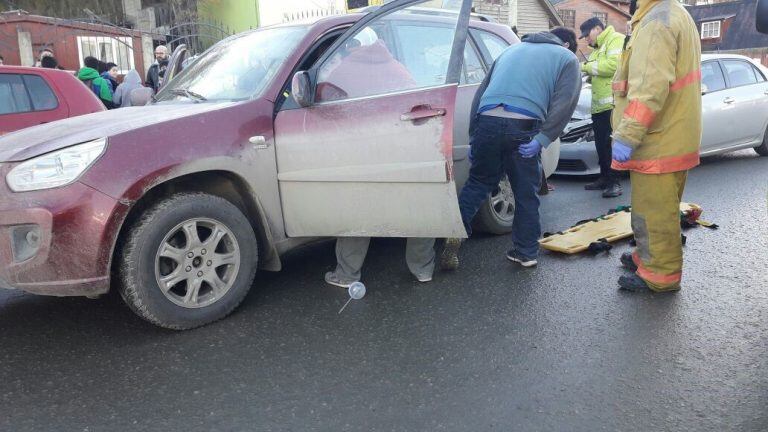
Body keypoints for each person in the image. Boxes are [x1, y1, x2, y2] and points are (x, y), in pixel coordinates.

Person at [440, 27, 582, 270]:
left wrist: (475, 135)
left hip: (487, 120)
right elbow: (565, 102)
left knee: (478, 182)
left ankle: (456, 231)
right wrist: (544, 138)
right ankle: (525, 252)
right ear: (566, 43)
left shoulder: (509, 50)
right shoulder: (567, 58)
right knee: (525, 191)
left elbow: (480, 93)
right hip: (523, 123)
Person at [321, 31, 432, 288]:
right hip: (406, 148)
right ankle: (422, 269)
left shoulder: (342, 71)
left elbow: (325, 111)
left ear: (351, 46)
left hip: (363, 152)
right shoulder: (398, 68)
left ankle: (347, 274)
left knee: (358, 210)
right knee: (419, 208)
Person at [612, 0, 702, 292]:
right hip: (672, 135)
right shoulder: (670, 13)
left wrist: (627, 135)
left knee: (654, 213)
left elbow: (649, 88)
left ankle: (659, 276)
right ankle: (647, 258)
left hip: (658, 141)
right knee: (658, 209)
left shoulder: (656, 21)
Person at [579, 17, 625, 198]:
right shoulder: (598, 48)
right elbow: (600, 70)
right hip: (600, 106)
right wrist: (591, 73)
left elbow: (614, 66)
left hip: (612, 104)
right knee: (601, 145)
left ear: (598, 28)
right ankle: (604, 178)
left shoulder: (615, 39)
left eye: (587, 35)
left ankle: (615, 182)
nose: (586, 39)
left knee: (610, 144)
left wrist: (586, 67)